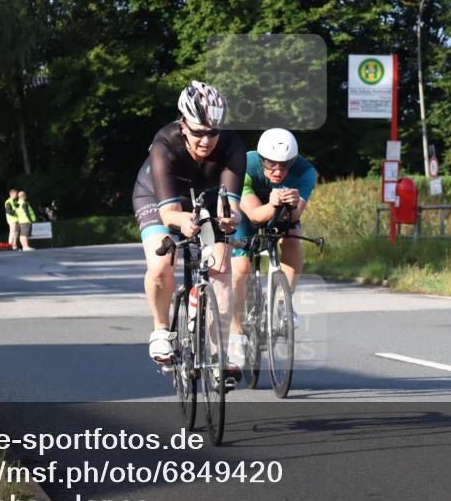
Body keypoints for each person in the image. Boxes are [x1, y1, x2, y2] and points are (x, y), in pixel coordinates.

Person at [131, 81, 246, 379]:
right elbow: (169, 213)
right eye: (198, 132)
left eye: (213, 133)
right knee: (162, 264)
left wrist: (229, 220)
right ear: (183, 124)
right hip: (157, 197)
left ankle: (218, 352)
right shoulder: (164, 143)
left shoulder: (232, 146)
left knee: (221, 269)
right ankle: (160, 329)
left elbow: (230, 205)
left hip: (206, 197)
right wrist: (183, 222)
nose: (206, 140)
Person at [229, 128, 317, 347]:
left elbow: (295, 216)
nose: (278, 170)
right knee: (240, 268)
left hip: (281, 214)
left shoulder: (305, 172)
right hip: (247, 214)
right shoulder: (245, 165)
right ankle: (235, 327)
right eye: (270, 164)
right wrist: (273, 204)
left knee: (293, 236)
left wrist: (291, 203)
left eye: (285, 164)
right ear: (261, 159)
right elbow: (255, 216)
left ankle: (282, 302)